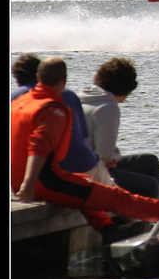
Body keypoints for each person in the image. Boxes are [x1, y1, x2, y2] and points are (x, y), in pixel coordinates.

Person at [10, 57, 159, 244]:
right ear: (64, 80)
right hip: (43, 181)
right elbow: (39, 145)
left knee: (86, 189)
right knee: (114, 197)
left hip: (23, 179)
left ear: (38, 76)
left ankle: (109, 230)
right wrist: (28, 185)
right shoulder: (53, 108)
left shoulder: (20, 103)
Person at [11, 54, 114, 188]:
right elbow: (83, 139)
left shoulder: (14, 99)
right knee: (114, 194)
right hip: (76, 168)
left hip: (30, 174)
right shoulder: (67, 94)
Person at [79, 58, 159, 199]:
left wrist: (113, 158)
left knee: (150, 161)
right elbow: (103, 157)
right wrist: (112, 159)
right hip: (91, 173)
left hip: (82, 165)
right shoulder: (108, 108)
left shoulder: (83, 97)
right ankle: (156, 216)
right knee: (151, 185)